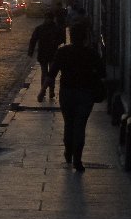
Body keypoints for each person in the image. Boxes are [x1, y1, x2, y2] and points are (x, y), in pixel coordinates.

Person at [40, 22, 105, 172]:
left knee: (69, 123)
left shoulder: (63, 52)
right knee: (80, 125)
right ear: (85, 38)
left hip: (67, 93)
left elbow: (52, 74)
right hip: (86, 93)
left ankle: (68, 151)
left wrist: (42, 91)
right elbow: (102, 74)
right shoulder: (91, 53)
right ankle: (78, 159)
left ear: (71, 36)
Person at [28, 11, 65, 101]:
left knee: (47, 73)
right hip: (49, 54)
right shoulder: (56, 28)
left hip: (46, 53)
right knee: (48, 73)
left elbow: (33, 40)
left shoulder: (41, 28)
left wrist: (31, 51)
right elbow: (62, 39)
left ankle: (47, 91)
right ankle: (47, 91)